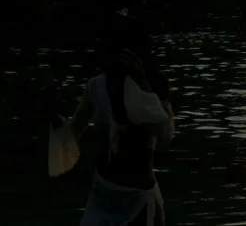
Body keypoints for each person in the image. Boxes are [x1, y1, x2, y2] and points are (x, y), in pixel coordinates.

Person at [49, 15, 174, 225]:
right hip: (102, 196)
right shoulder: (96, 87)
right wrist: (55, 118)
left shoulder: (154, 86)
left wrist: (144, 86)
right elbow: (73, 135)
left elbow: (164, 137)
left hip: (139, 199)